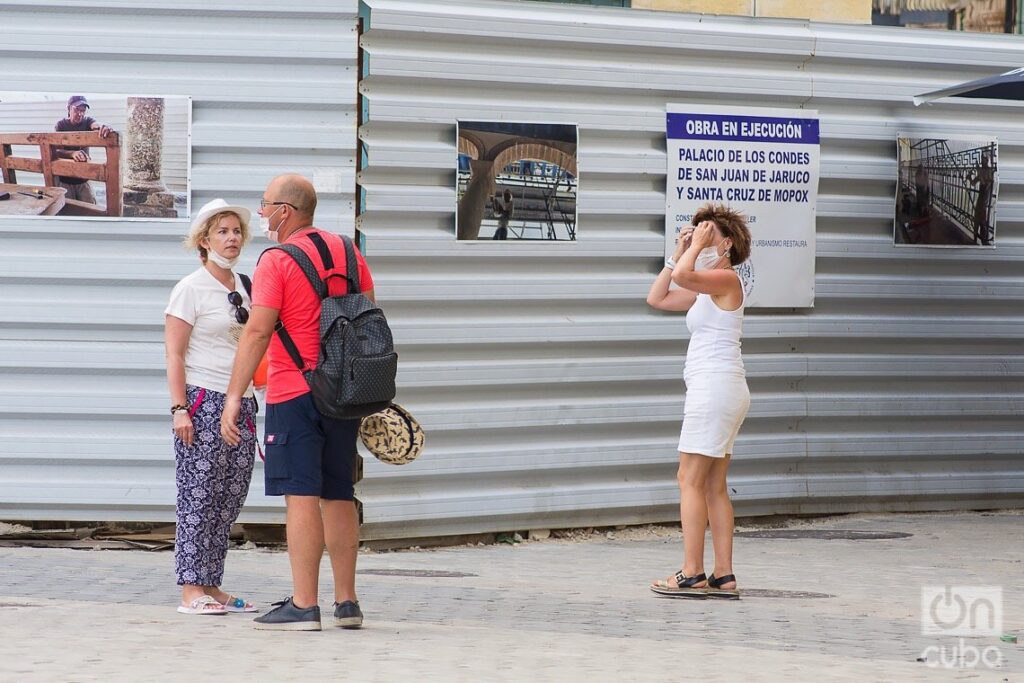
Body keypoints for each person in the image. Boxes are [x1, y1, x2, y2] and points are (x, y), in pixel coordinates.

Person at [220, 174, 376, 631]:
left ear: (285, 211)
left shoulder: (277, 260)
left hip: (295, 391)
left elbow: (258, 330)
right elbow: (369, 315)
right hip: (343, 392)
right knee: (339, 492)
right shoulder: (348, 251)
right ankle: (347, 603)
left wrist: (234, 396)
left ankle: (305, 604)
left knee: (301, 495)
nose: (263, 214)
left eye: (265, 205)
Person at [646, 203, 752, 600]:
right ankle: (723, 575)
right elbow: (657, 297)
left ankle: (692, 573)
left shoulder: (726, 278)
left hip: (714, 390)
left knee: (688, 479)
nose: (699, 238)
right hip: (722, 390)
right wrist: (680, 249)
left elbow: (687, 274)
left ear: (726, 244)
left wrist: (696, 248)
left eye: (708, 235)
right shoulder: (705, 291)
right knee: (712, 486)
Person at [165, 198, 259, 616]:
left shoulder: (247, 285)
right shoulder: (189, 288)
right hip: (203, 400)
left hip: (244, 401)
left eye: (236, 231)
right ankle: (190, 589)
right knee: (199, 495)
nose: (232, 238)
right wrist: (179, 408)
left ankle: (211, 584)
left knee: (229, 497)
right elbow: (173, 354)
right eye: (222, 231)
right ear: (204, 240)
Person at [53, 96, 113, 205]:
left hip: (84, 178)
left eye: (83, 110)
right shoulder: (60, 125)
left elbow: (96, 126)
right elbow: (56, 151)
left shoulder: (87, 121)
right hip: (65, 178)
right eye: (77, 109)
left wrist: (104, 128)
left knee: (92, 210)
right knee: (67, 210)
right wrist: (72, 153)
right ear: (69, 108)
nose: (80, 114)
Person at [967, 152, 995, 245]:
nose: (983, 161)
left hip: (984, 201)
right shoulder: (983, 171)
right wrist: (969, 177)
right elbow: (973, 183)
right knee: (977, 220)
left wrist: (980, 175)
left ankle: (984, 241)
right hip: (981, 200)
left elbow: (987, 184)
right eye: (982, 159)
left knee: (982, 222)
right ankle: (975, 239)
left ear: (987, 160)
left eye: (984, 159)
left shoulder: (989, 171)